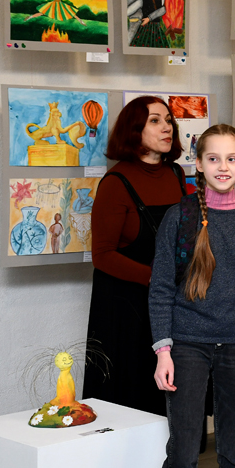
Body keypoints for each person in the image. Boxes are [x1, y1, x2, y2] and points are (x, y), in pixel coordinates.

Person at [149, 124, 235, 467]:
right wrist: (163, 351)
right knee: (184, 448)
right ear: (199, 163)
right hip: (187, 343)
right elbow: (161, 288)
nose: (223, 167)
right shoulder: (180, 217)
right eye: (213, 158)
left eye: (231, 159)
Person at [85, 96, 185, 417]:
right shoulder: (115, 182)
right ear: (134, 129)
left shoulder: (176, 174)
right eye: (155, 120)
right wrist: (156, 279)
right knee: (131, 397)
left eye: (168, 120)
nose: (166, 127)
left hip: (169, 304)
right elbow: (102, 255)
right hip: (126, 309)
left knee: (173, 394)